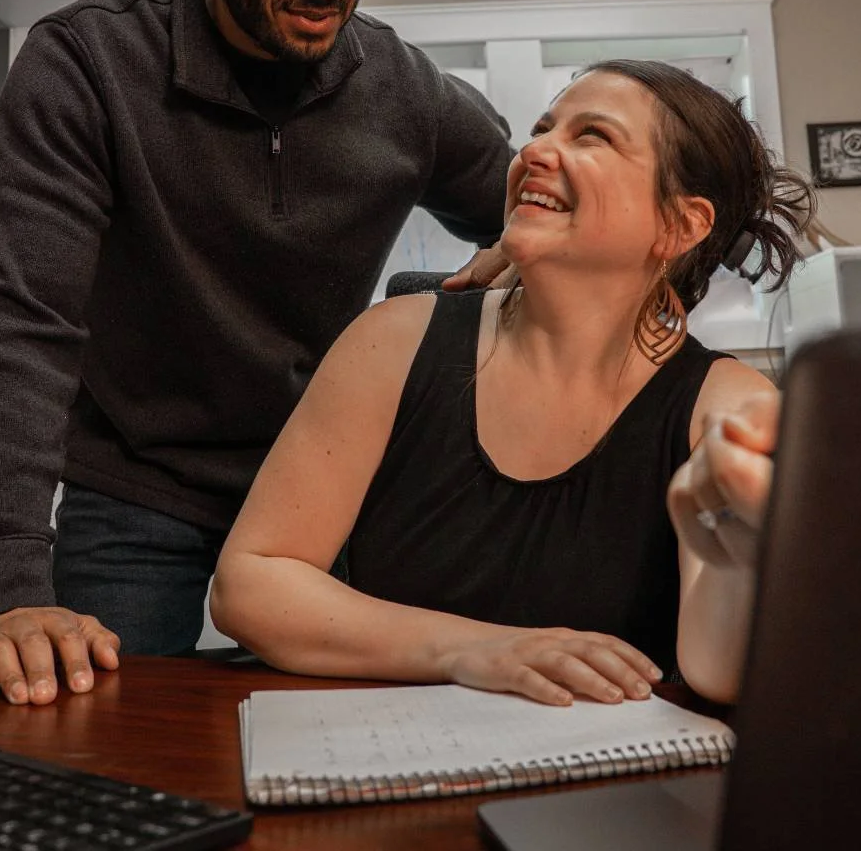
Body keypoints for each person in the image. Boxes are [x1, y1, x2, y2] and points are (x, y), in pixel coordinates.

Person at [0, 0, 515, 706]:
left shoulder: (407, 93)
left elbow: (533, 199)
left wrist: (528, 248)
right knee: (94, 747)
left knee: (374, 741)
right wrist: (8, 584)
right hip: (136, 486)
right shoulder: (89, 68)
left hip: (329, 488)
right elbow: (24, 328)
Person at [210, 60, 814, 704]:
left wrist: (729, 547)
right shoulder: (392, 342)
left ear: (681, 225)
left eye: (592, 137)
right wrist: (479, 649)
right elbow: (250, 584)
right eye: (542, 129)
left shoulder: (728, 408)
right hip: (384, 758)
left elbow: (722, 675)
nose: (533, 151)